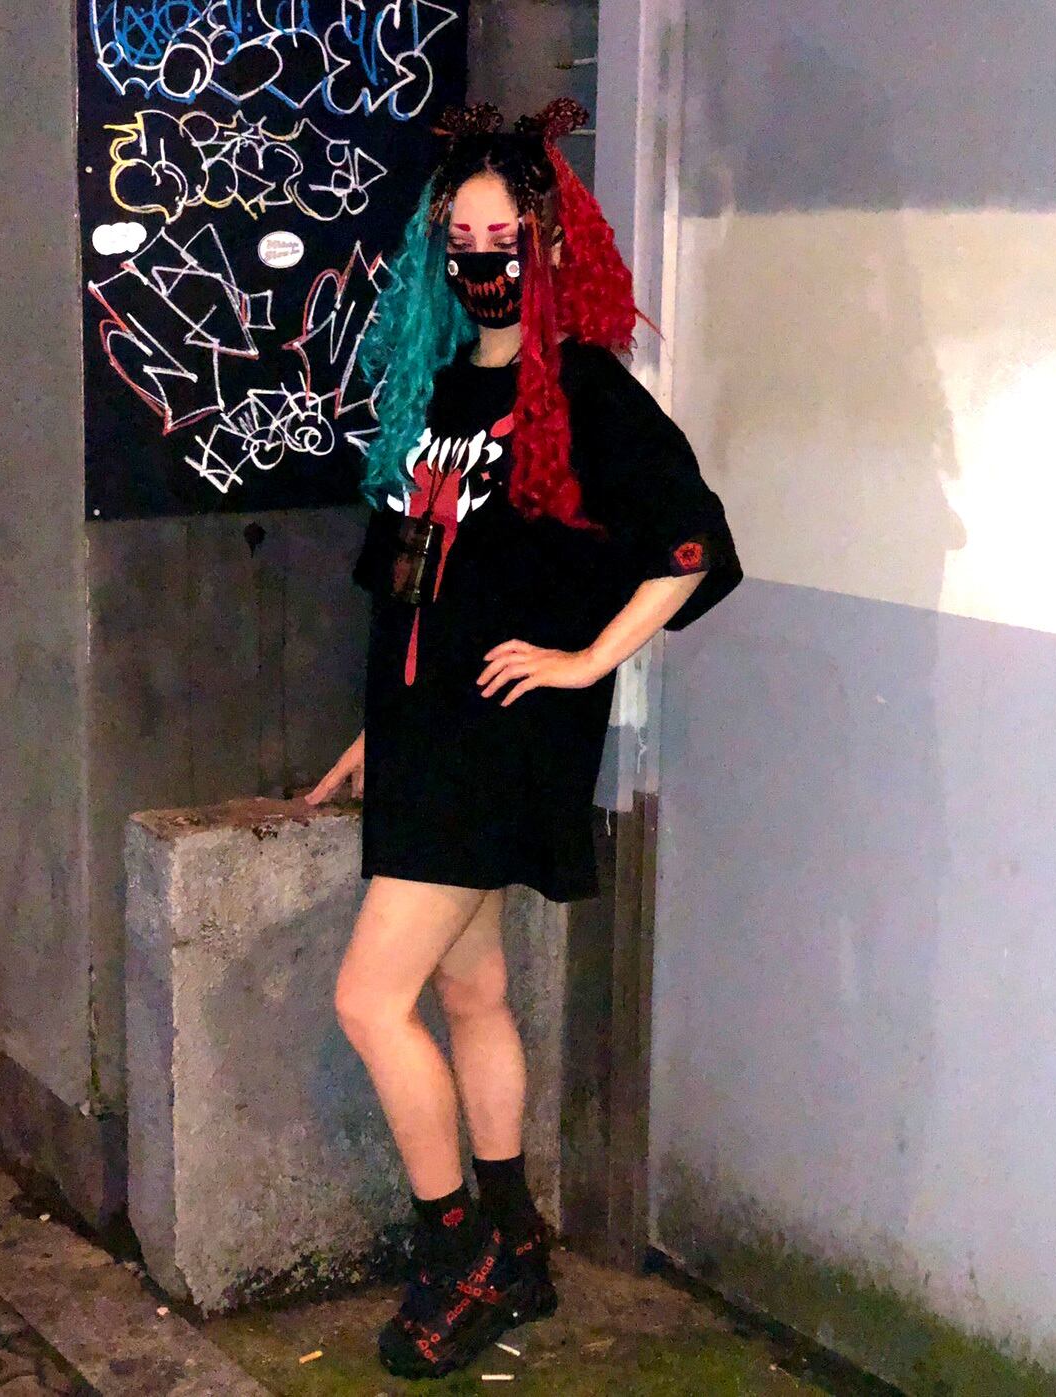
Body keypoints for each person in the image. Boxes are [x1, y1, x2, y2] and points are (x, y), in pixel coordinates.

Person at [304, 97, 743, 1380]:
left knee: (366, 997)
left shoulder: (587, 391)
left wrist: (586, 658)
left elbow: (693, 545)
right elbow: (416, 582)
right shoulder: (443, 387)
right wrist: (375, 729)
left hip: (495, 745)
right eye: (461, 240)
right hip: (425, 731)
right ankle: (517, 1238)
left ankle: (462, 1250)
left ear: (552, 242)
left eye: (504, 238)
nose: (481, 261)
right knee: (469, 989)